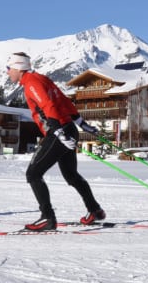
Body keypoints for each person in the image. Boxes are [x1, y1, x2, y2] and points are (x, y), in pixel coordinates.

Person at [6, 52, 105, 231]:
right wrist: (80, 122)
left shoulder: (31, 83)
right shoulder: (42, 79)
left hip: (58, 132)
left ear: (19, 67)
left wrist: (58, 132)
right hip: (68, 128)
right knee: (71, 175)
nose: (7, 72)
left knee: (33, 174)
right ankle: (95, 210)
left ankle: (47, 218)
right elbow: (62, 99)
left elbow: (48, 105)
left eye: (9, 68)